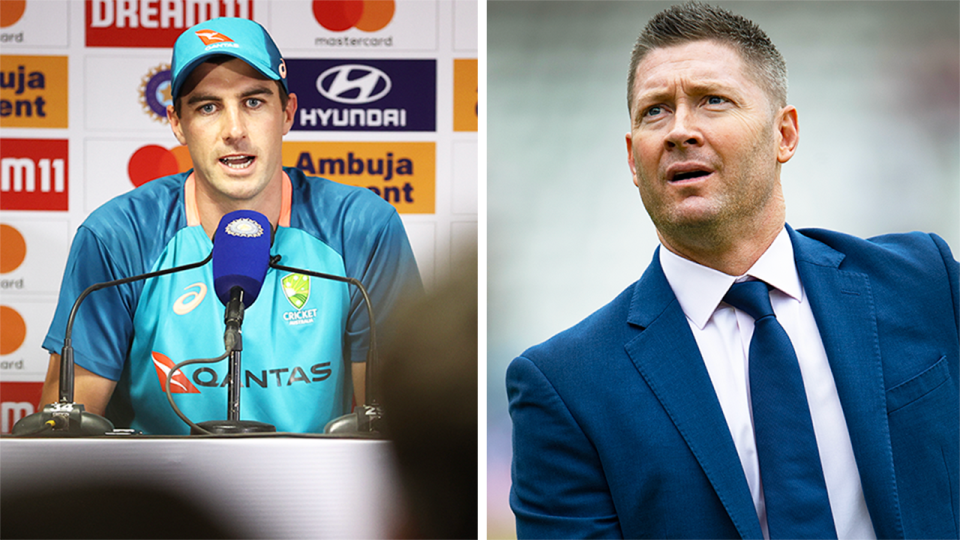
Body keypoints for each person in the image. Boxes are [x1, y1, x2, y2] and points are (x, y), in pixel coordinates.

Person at [506, 3, 958, 539]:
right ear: (632, 159)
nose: (679, 131)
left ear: (784, 135)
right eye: (654, 111)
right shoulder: (565, 386)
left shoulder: (925, 281)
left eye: (712, 101)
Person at [39, 17, 421, 435]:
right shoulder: (116, 236)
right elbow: (64, 434)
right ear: (177, 123)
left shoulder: (362, 226)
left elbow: (399, 424)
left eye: (253, 102)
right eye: (208, 107)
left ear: (287, 113)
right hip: (161, 494)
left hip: (314, 492)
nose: (234, 130)